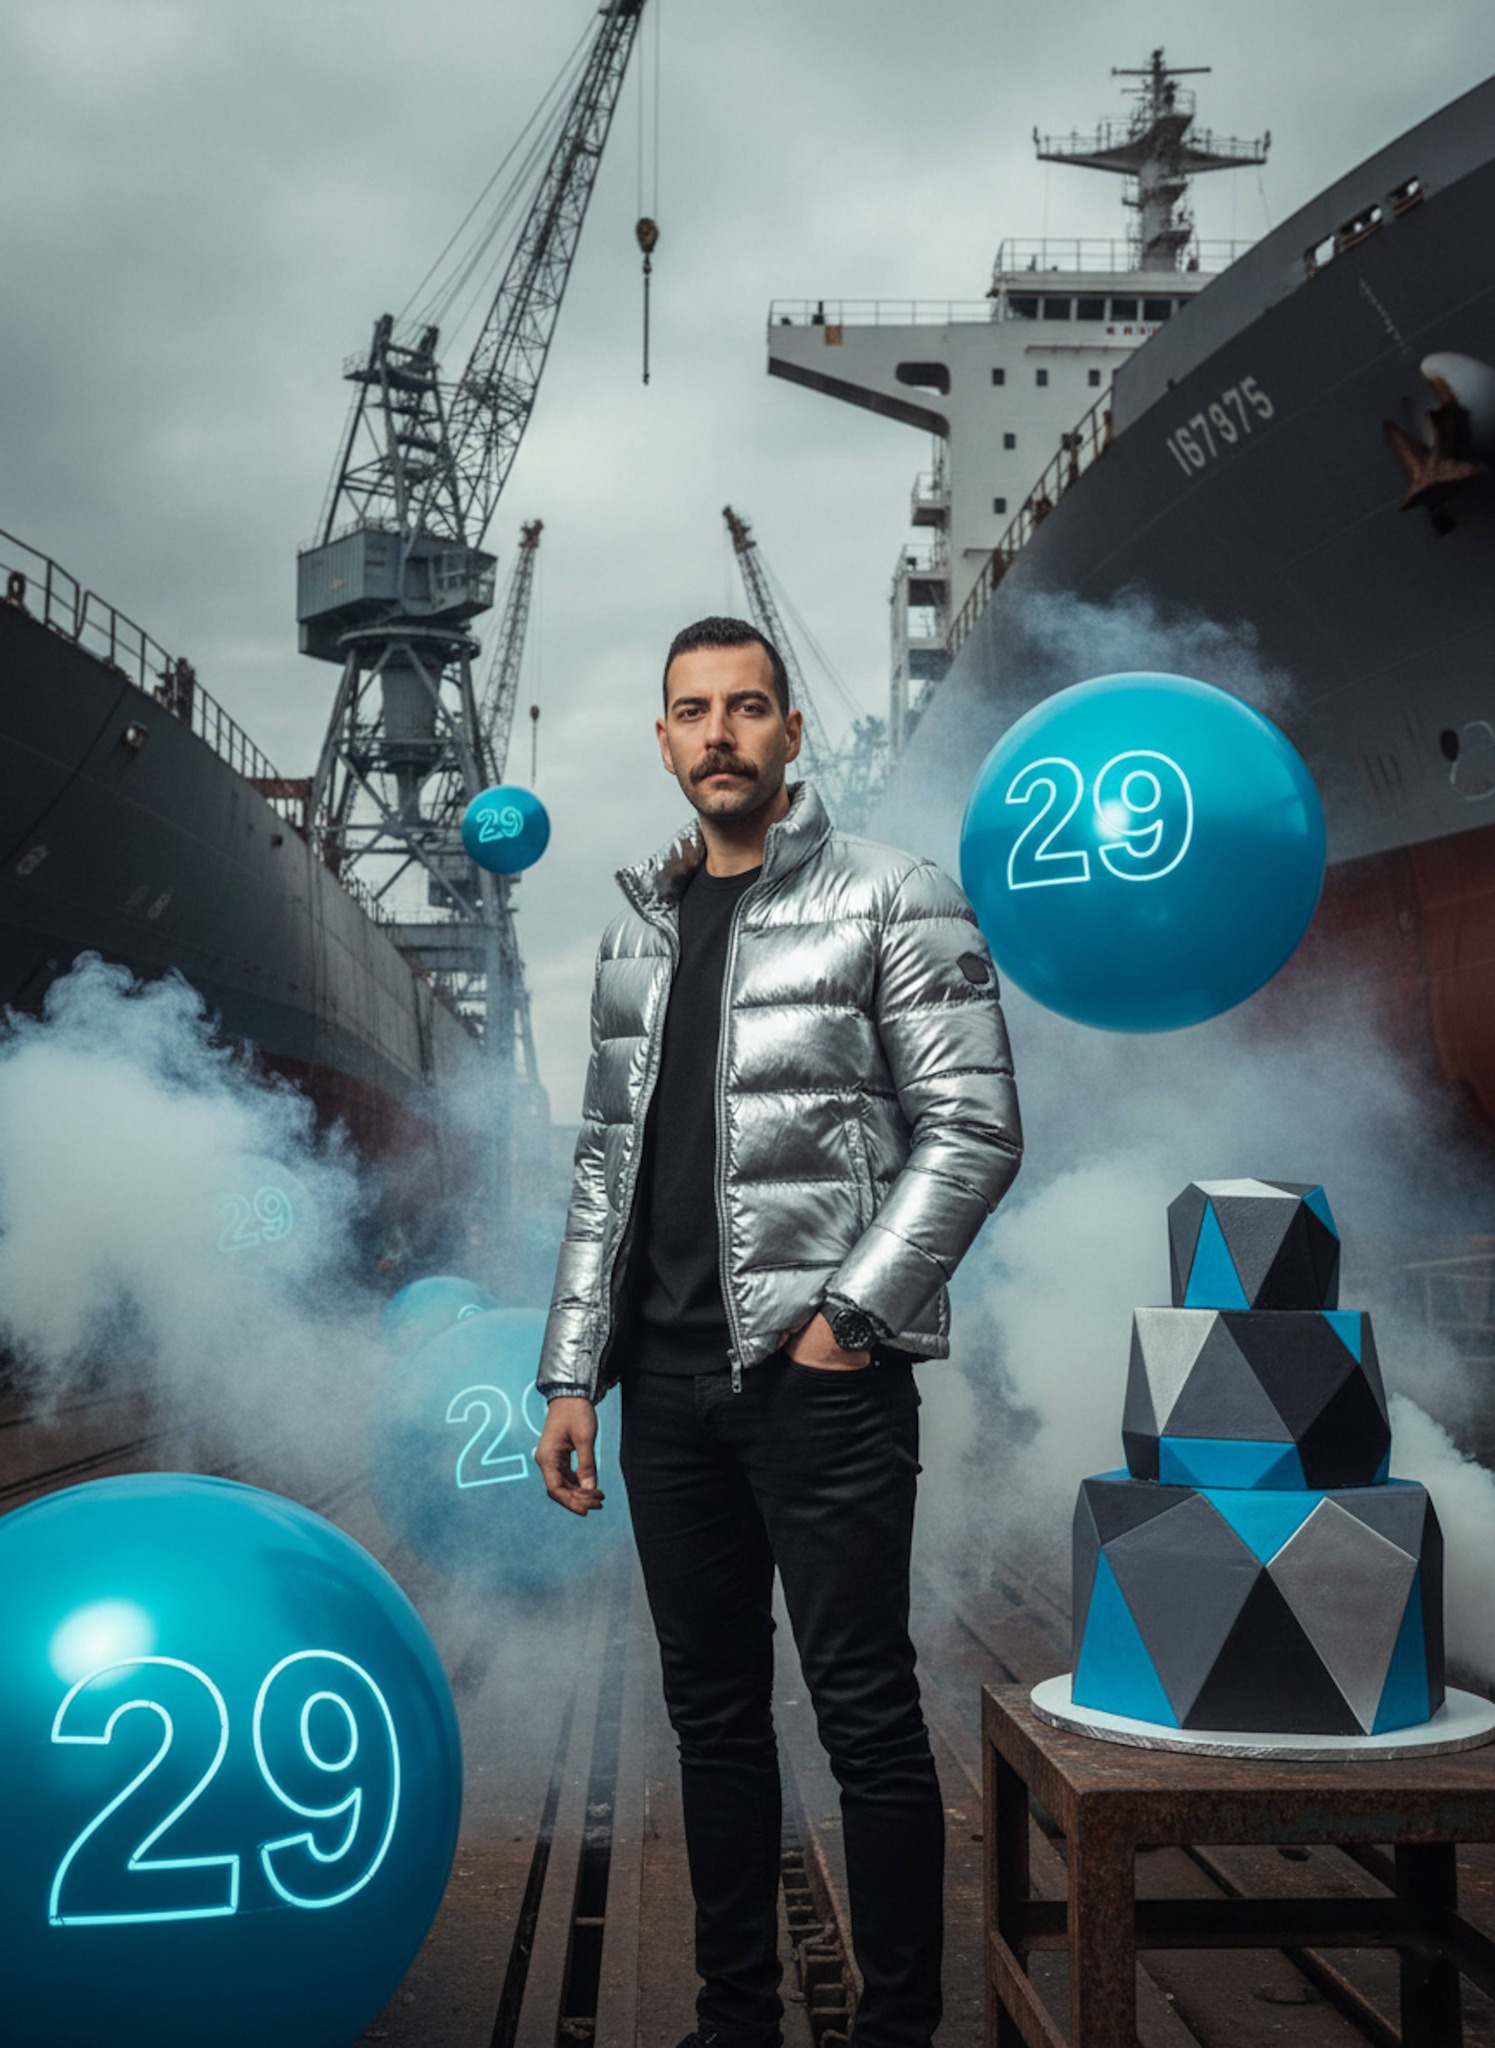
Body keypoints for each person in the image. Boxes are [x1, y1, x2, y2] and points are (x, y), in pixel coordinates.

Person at [534, 616, 1022, 2048]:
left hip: (825, 1389)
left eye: (749, 708)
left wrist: (847, 1322)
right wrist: (571, 1374)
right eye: (693, 711)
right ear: (666, 737)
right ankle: (734, 2020)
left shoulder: (893, 896)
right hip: (665, 1394)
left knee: (867, 1716)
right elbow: (602, 1168)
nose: (721, 734)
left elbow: (976, 1130)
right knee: (715, 1721)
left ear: (791, 733)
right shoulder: (634, 930)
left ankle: (893, 2032)